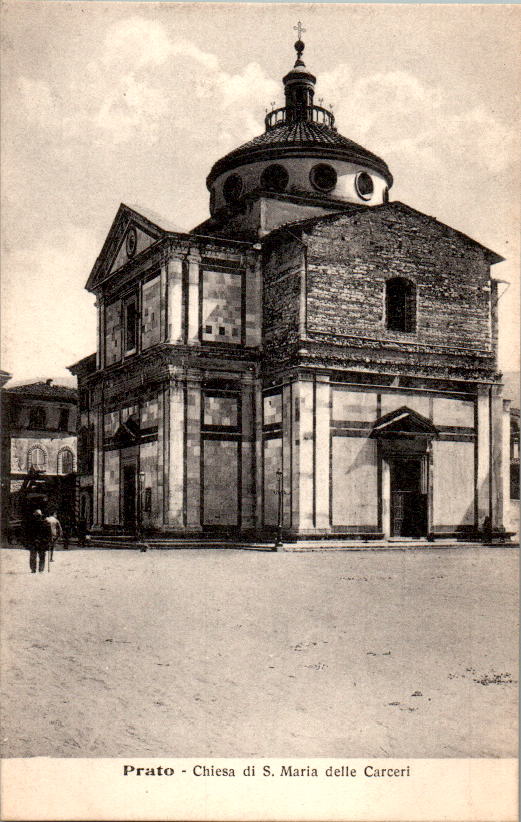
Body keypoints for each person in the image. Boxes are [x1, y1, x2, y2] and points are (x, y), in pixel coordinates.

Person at [26, 509, 51, 574]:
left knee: (33, 556)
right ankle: (41, 569)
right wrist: (48, 541)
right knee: (41, 556)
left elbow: (27, 534)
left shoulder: (30, 523)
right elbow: (49, 534)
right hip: (42, 542)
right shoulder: (46, 523)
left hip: (34, 542)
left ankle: (33, 569)